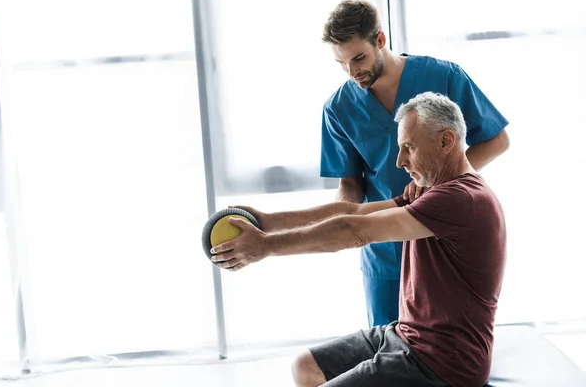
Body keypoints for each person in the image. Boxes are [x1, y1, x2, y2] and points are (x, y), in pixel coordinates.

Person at [210, 92, 507, 387]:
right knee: (306, 367)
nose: (400, 161)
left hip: (444, 363)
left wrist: (265, 246)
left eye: (409, 148)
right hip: (406, 336)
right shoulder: (433, 191)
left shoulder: (462, 199)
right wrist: (267, 222)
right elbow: (353, 210)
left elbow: (355, 230)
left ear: (445, 141)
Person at [319, 0, 510, 327]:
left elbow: (497, 140)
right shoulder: (337, 109)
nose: (353, 72)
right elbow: (350, 185)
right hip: (386, 254)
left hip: (444, 244)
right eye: (342, 63)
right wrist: (340, 225)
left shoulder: (444, 77)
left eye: (359, 58)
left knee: (446, 354)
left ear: (380, 40)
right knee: (385, 353)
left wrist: (434, 183)